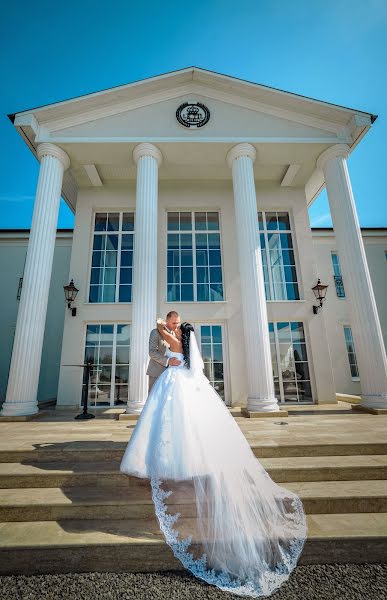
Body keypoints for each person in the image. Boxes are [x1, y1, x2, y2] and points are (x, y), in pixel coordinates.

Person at [120, 318, 308, 597]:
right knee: (171, 421)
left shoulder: (171, 337)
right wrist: (169, 336)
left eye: (176, 323)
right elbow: (157, 351)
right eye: (173, 320)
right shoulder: (179, 343)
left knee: (176, 422)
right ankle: (181, 457)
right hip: (168, 375)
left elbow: (166, 338)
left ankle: (178, 460)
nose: (173, 323)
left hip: (174, 380)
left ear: (180, 331)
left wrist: (163, 326)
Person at [146, 311, 182, 394]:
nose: (176, 326)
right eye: (174, 323)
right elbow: (152, 352)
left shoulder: (176, 334)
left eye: (178, 323)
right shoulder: (155, 332)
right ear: (167, 321)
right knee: (154, 400)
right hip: (156, 373)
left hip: (172, 375)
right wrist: (168, 361)